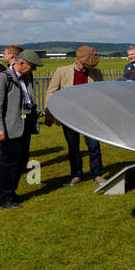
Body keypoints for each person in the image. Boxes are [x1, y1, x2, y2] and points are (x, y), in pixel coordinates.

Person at [45, 45, 107, 186]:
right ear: (77, 60)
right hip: (69, 116)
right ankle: (76, 175)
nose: (86, 69)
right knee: (73, 148)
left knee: (94, 146)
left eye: (89, 66)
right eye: (84, 66)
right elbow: (51, 92)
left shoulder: (96, 73)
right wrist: (49, 112)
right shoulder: (61, 71)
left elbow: (102, 93)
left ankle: (97, 174)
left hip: (90, 117)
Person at [0, 49, 42, 209]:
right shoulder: (2, 78)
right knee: (8, 163)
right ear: (21, 63)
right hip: (9, 127)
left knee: (20, 161)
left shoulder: (26, 78)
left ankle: (11, 192)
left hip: (24, 126)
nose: (33, 70)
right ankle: (4, 198)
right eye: (32, 67)